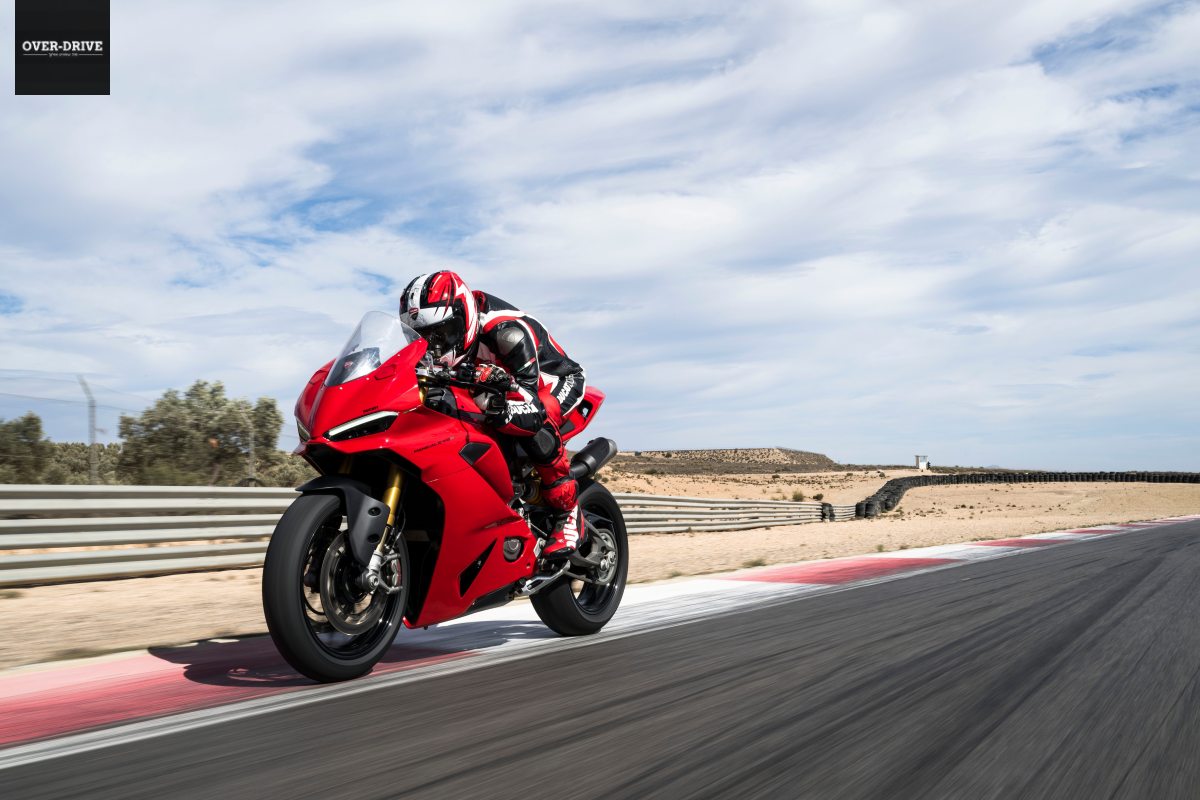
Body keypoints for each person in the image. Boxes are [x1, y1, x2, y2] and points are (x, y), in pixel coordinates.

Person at [399, 270, 587, 560]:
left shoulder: (506, 333)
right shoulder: (447, 347)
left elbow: (531, 408)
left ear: (464, 318)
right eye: (424, 337)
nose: (434, 347)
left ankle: (568, 510)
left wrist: (499, 406)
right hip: (498, 381)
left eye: (442, 334)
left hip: (552, 381)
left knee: (526, 421)